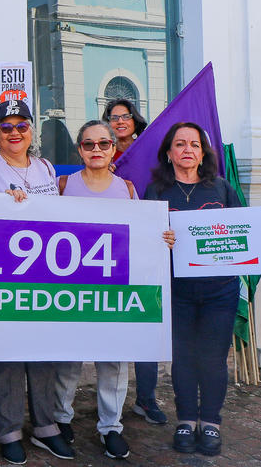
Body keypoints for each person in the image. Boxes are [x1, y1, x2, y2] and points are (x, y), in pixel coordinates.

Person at [145, 122, 261, 456]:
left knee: (212, 358)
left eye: (194, 144)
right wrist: (159, 238)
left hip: (219, 292)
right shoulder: (155, 192)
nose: (187, 150)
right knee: (183, 358)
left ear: (203, 152)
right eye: (179, 144)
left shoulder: (222, 189)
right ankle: (185, 420)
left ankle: (210, 422)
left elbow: (244, 234)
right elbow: (143, 240)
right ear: (168, 153)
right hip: (176, 290)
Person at [53, 120, 172, 460]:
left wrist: (162, 238)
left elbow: (144, 236)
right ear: (79, 150)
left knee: (113, 362)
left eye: (103, 144)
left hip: (114, 289)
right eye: (88, 144)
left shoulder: (128, 190)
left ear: (112, 148)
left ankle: (110, 426)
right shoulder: (62, 185)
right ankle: (62, 419)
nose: (96, 150)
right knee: (68, 359)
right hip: (71, 288)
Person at [0, 100, 73, 465]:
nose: (14, 132)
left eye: (21, 125)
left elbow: (56, 217)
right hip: (4, 279)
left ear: (32, 130)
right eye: (6, 127)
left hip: (43, 276)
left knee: (42, 354)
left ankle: (45, 427)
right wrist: (5, 206)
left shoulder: (45, 167)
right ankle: (9, 429)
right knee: (9, 359)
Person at [100, 99, 163, 424]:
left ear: (135, 120)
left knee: (145, 323)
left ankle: (146, 398)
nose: (120, 121)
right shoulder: (101, 152)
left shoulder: (150, 151)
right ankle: (110, 404)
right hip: (110, 247)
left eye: (125, 116)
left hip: (145, 241)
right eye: (114, 117)